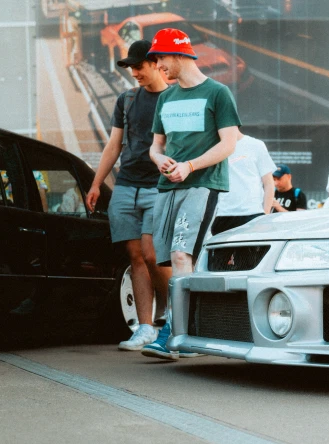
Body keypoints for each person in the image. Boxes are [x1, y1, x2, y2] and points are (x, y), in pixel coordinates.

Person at [141, 28, 241, 360]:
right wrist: (159, 159)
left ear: (180, 55)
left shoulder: (217, 93)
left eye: (160, 58)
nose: (157, 66)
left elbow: (229, 143)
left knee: (183, 256)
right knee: (166, 259)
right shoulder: (166, 98)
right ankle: (190, 328)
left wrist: (191, 166)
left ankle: (174, 331)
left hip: (202, 183)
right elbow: (155, 146)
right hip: (168, 187)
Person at [86, 39, 172, 351]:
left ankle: (172, 318)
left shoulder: (174, 98)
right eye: (130, 67)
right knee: (135, 257)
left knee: (152, 254)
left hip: (159, 187)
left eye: (139, 66)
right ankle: (145, 327)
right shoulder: (127, 99)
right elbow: (114, 145)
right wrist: (96, 183)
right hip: (125, 186)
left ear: (156, 63)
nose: (134, 72)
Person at [211, 130, 276, 235]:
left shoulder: (256, 145)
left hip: (253, 214)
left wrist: (265, 216)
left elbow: (268, 183)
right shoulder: (214, 148)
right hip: (223, 215)